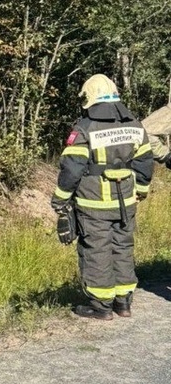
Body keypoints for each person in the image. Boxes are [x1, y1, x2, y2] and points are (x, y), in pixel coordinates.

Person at [51, 73, 153, 319]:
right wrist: (140, 190)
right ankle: (123, 302)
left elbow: (72, 168)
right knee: (123, 247)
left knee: (96, 250)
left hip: (93, 204)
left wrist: (60, 199)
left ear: (90, 97)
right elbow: (145, 161)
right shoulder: (134, 124)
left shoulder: (85, 128)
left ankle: (101, 306)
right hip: (126, 202)